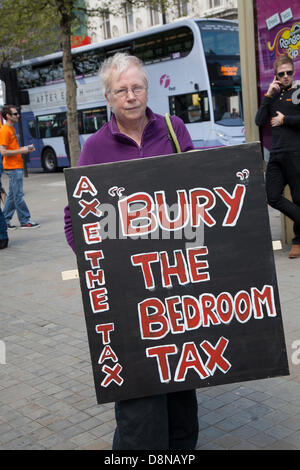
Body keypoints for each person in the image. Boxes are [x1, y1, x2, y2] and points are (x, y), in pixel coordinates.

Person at [64, 53, 199, 450]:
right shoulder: (96, 147)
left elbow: (201, 190)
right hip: (127, 296)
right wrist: (97, 267)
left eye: (137, 87)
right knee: (139, 403)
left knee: (181, 394)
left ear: (147, 89)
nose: (131, 95)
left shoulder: (173, 130)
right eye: (121, 89)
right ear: (108, 97)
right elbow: (76, 219)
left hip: (176, 285)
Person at [255, 55, 300, 259]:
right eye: (281, 74)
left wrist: (285, 120)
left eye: (289, 73)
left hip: (295, 153)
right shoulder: (272, 96)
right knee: (272, 196)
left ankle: (297, 242)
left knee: (298, 199)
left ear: (293, 72)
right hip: (276, 155)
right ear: (276, 75)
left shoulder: (298, 92)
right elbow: (259, 120)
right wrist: (267, 96)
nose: (285, 77)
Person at [0, 105, 40, 230]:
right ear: (8, 116)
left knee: (12, 196)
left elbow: (11, 149)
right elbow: (3, 152)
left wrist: (24, 149)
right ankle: (25, 221)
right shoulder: (5, 130)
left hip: (16, 166)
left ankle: (5, 220)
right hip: (13, 168)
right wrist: (22, 150)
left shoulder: (11, 129)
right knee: (18, 196)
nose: (18, 115)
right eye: (15, 114)